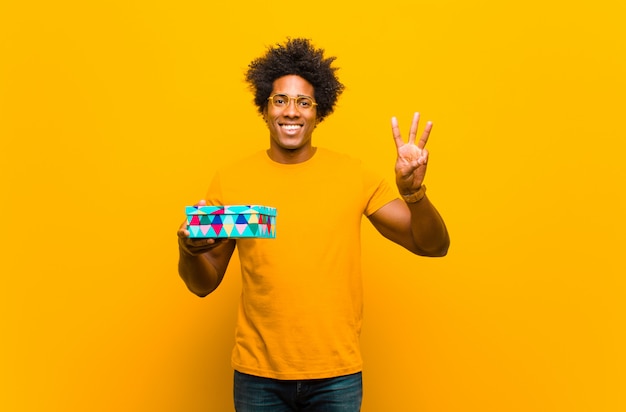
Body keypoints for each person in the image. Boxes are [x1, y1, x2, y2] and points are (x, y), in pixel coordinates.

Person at [177, 38, 450, 412]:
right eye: (280, 100)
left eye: (304, 102)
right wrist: (188, 250)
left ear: (319, 113)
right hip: (258, 379)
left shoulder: (353, 175)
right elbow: (203, 284)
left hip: (336, 378)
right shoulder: (232, 180)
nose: (292, 111)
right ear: (264, 108)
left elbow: (433, 245)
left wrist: (414, 194)